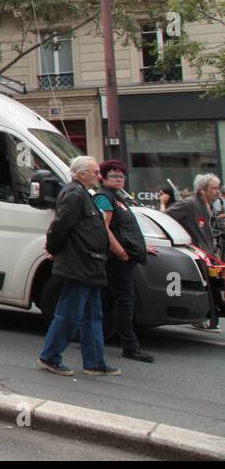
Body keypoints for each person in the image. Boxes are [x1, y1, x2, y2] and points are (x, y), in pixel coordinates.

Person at [38, 156, 121, 377]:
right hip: (79, 263)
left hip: (90, 264)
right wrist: (53, 249)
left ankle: (94, 362)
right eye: (95, 172)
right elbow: (59, 226)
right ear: (82, 174)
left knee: (93, 315)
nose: (99, 176)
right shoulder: (75, 194)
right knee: (69, 313)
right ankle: (50, 356)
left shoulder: (83, 194)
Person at [93, 160, 153, 363]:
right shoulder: (104, 197)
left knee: (105, 299)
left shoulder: (116, 197)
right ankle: (130, 346)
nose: (119, 179)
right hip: (117, 260)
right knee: (124, 301)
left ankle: (92, 339)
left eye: (121, 176)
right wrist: (121, 253)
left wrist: (140, 248)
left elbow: (123, 228)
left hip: (122, 258)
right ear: (103, 177)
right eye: (114, 176)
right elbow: (103, 228)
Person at [167, 173, 224, 330]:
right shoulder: (190, 203)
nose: (218, 191)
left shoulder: (209, 205)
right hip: (197, 252)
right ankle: (203, 319)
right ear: (202, 190)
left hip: (209, 252)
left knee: (214, 287)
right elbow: (166, 217)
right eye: (214, 188)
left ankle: (210, 318)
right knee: (206, 288)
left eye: (218, 188)